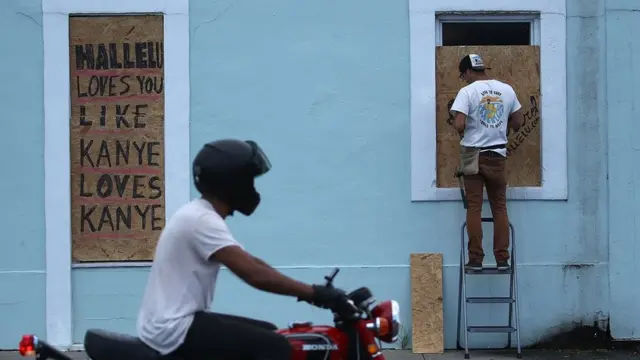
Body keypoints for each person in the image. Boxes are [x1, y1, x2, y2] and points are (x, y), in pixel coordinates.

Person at [136, 139, 355, 360]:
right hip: (173, 328)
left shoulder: (200, 214)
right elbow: (254, 274)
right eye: (248, 180)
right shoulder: (201, 220)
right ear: (230, 183)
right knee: (275, 346)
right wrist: (314, 293)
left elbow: (253, 263)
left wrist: (313, 293)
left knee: (270, 331)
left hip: (172, 323)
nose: (251, 188)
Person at [449, 54, 524, 272]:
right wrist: (501, 127)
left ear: (469, 72)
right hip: (498, 155)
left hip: (473, 154)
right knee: (499, 207)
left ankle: (475, 260)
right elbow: (519, 121)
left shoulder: (468, 92)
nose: (464, 79)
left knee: (474, 207)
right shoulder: (507, 90)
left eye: (463, 75)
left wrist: (457, 123)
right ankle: (502, 259)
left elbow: (461, 125)